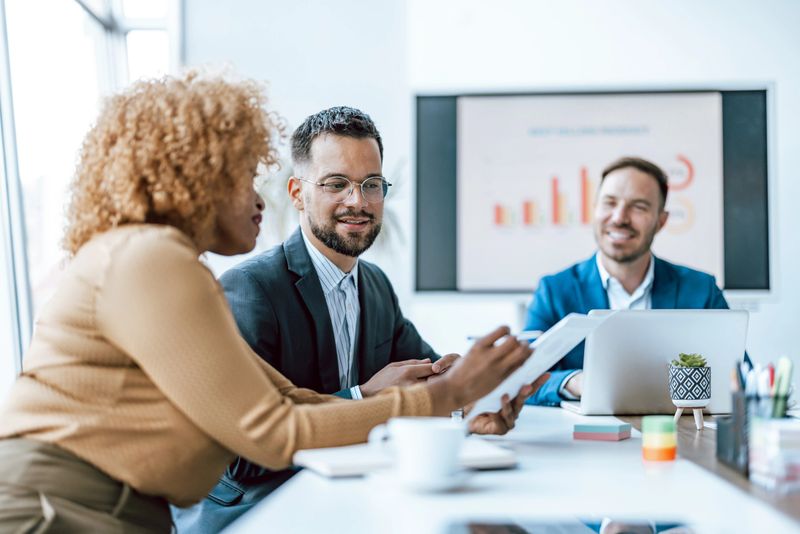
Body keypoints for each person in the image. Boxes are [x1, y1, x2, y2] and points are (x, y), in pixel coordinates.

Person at [0, 72, 535, 532]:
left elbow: (293, 403)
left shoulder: (159, 261)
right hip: (57, 511)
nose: (260, 199)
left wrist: (457, 403)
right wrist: (444, 397)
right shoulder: (150, 259)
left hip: (109, 511)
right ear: (195, 178)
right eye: (243, 176)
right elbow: (275, 433)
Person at [174, 106, 543, 532]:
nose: (358, 201)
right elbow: (240, 457)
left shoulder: (375, 285)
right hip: (266, 511)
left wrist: (470, 408)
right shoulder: (251, 288)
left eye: (371, 184)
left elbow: (431, 381)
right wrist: (363, 396)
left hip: (356, 496)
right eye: (337, 184)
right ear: (297, 193)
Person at [525, 156, 735, 406]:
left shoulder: (701, 290)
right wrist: (576, 382)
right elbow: (521, 378)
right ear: (595, 209)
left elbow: (736, 376)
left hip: (679, 428)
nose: (619, 218)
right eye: (609, 203)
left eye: (638, 207)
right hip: (583, 431)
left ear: (661, 221)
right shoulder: (554, 291)